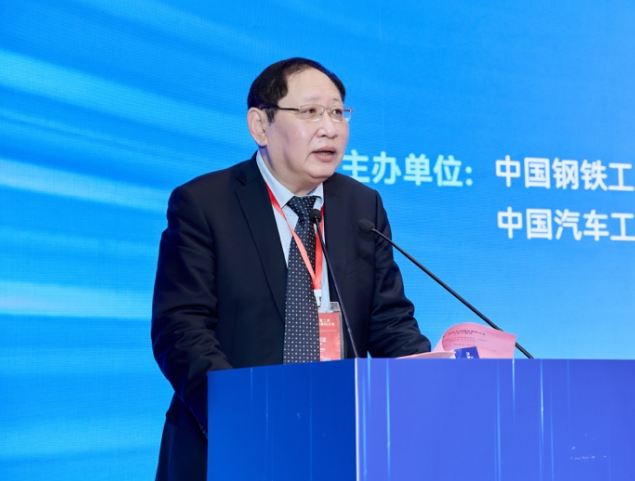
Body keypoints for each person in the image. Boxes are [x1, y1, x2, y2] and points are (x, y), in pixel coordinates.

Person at [151, 57, 430, 481]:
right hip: (232, 446)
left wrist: (430, 380)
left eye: (338, 112)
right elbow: (181, 330)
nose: (330, 128)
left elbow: (389, 323)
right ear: (260, 125)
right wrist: (244, 416)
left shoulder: (362, 206)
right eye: (310, 111)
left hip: (339, 444)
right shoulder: (205, 203)